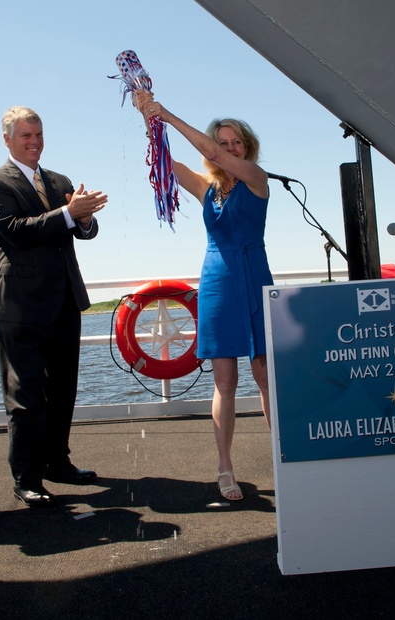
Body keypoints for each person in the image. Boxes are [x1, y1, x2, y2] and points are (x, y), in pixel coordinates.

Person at [136, 91, 273, 502]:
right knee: (224, 381)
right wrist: (150, 118)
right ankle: (225, 467)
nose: (228, 149)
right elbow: (166, 162)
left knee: (266, 378)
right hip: (217, 280)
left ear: (246, 148)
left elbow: (210, 150)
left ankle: (284, 456)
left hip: (254, 274)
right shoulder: (206, 188)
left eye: (235, 143)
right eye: (223, 143)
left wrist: (169, 113)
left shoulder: (256, 178)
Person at [0, 107, 107, 507]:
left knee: (63, 388)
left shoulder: (60, 181)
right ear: (7, 139)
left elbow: (84, 231)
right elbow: (14, 232)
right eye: (25, 136)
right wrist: (70, 213)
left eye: (38, 135)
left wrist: (83, 219)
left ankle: (57, 462)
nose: (34, 142)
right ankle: (27, 477)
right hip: (19, 306)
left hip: (63, 299)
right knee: (25, 395)